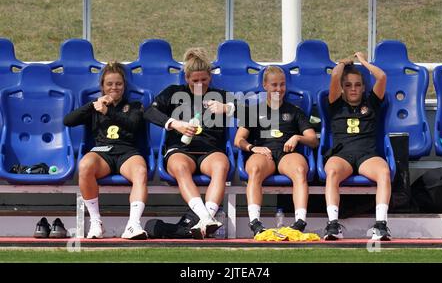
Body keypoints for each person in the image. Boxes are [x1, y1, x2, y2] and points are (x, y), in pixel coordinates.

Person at [144, 47, 236, 239]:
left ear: (210, 77)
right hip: (181, 148)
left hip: (210, 150)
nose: (200, 84)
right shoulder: (173, 92)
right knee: (180, 167)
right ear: (186, 78)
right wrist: (175, 124)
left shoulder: (220, 95)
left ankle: (205, 219)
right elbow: (149, 112)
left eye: (204, 80)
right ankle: (205, 218)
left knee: (221, 165)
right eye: (195, 81)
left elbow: (253, 113)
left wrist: (228, 108)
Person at [64, 62, 148, 240]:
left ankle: (133, 225)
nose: (114, 88)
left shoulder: (135, 105)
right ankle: (96, 222)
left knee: (140, 171)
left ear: (124, 86)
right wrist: (94, 104)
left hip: (127, 153)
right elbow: (68, 121)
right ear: (102, 86)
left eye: (118, 84)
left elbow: (132, 125)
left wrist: (108, 111)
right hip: (102, 152)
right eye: (109, 84)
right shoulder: (96, 106)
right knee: (85, 166)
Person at [234, 65, 318, 237]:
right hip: (264, 154)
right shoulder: (253, 110)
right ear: (265, 86)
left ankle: (300, 221)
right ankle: (255, 222)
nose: (279, 89)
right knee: (255, 169)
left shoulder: (295, 111)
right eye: (274, 85)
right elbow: (238, 140)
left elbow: (313, 140)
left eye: (282, 84)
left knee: (300, 170)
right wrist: (252, 147)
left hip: (288, 154)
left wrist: (297, 137)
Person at [323, 52, 391, 241]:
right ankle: (333, 225)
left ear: (363, 88)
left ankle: (380, 225)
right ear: (342, 89)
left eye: (358, 85)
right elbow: (335, 76)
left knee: (384, 172)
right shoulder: (336, 104)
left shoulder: (371, 103)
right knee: (332, 172)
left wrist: (363, 62)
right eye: (348, 85)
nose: (353, 89)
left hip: (367, 155)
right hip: (342, 154)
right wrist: (344, 63)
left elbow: (382, 77)